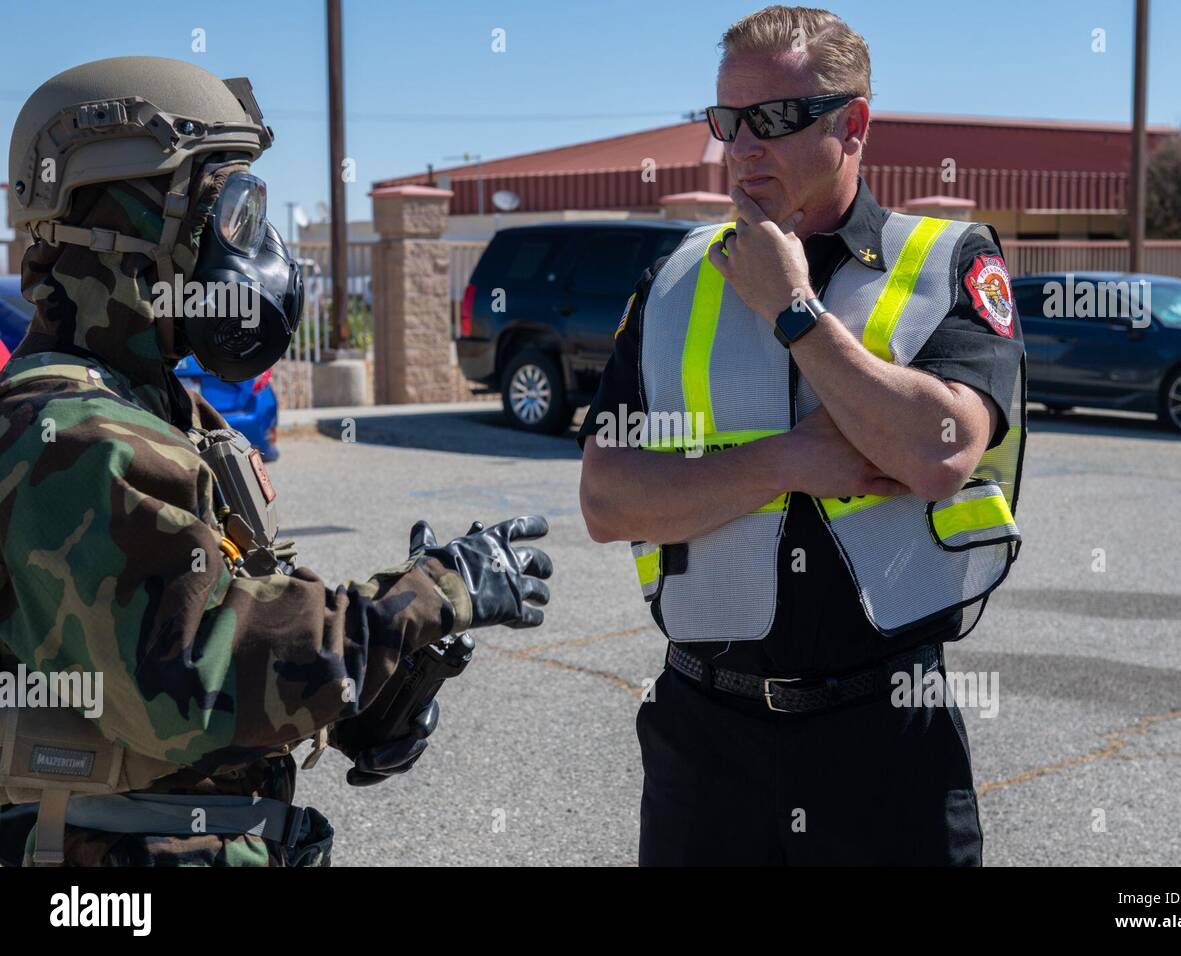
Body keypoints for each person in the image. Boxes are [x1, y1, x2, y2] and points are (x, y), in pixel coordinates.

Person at [0, 56, 552, 867]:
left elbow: (230, 613)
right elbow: (188, 683)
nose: (253, 249)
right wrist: (419, 600)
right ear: (128, 223)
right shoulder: (75, 437)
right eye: (228, 210)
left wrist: (363, 695)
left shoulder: (150, 407)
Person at [578, 5, 1026, 865]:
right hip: (703, 741)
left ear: (853, 124)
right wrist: (792, 459)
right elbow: (606, 500)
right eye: (727, 121)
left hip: (887, 740)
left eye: (775, 121)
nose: (742, 148)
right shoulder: (674, 279)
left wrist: (794, 312)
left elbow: (937, 450)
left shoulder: (947, 259)